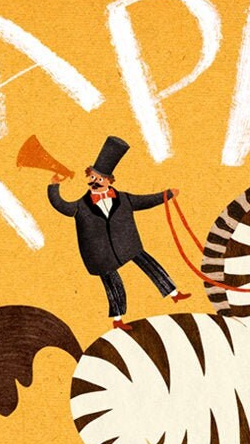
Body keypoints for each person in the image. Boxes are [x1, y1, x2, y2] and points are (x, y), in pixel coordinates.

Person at [47, 137, 190, 328]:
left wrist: (167, 195)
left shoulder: (124, 198)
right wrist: (54, 186)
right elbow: (61, 205)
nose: (95, 182)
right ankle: (117, 319)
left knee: (149, 264)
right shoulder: (80, 205)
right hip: (100, 255)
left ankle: (173, 293)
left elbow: (146, 201)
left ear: (109, 181)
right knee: (113, 284)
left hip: (128, 245)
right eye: (92, 178)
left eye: (99, 179)